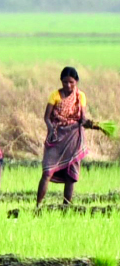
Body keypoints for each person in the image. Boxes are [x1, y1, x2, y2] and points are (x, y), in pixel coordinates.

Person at [37, 67, 98, 209]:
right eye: (65, 82)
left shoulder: (80, 96)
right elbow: (47, 117)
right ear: (61, 81)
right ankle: (38, 206)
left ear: (76, 82)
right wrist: (51, 129)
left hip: (73, 137)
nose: (68, 86)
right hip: (56, 136)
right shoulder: (55, 95)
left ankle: (67, 207)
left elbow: (82, 119)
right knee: (47, 171)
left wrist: (90, 124)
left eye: (71, 82)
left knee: (71, 175)